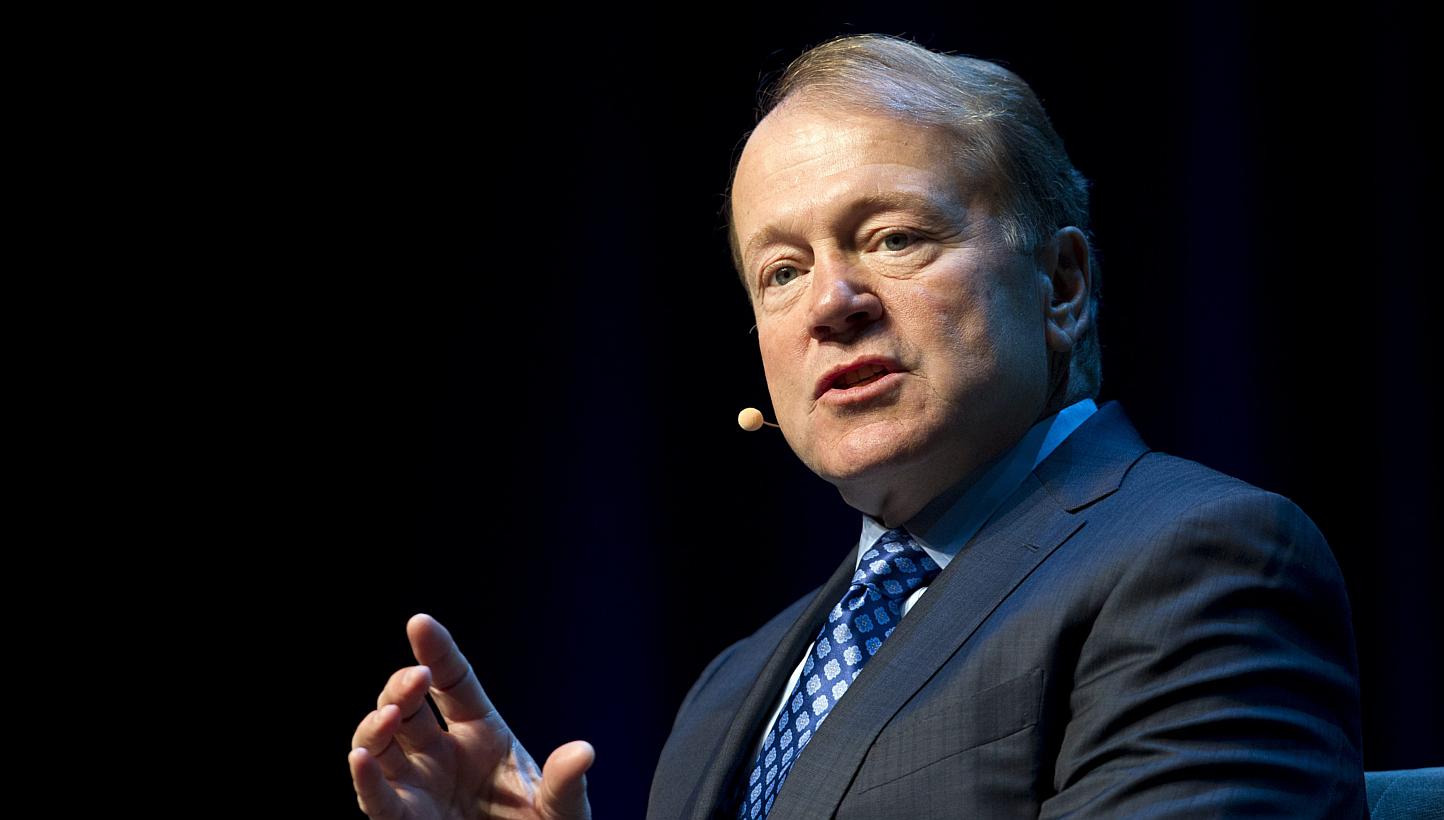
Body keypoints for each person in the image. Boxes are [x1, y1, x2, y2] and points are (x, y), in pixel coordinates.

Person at [348, 34, 1366, 818]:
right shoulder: (728, 689)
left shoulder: (1200, 560)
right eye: (780, 270)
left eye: (892, 237)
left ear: (1060, 285)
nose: (830, 302)